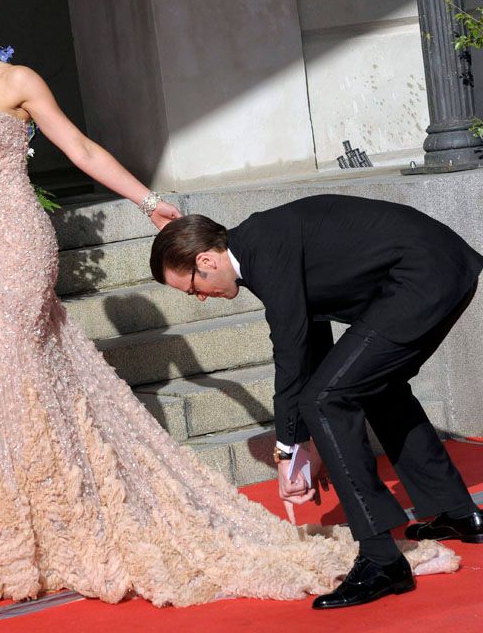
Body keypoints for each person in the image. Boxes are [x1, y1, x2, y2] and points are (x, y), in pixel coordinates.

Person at [0, 0, 457, 609]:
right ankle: (15, 532)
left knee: (13, 375)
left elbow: (80, 148)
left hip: (18, 248)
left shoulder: (19, 81)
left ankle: (57, 522)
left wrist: (148, 201)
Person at [150, 194, 483, 608]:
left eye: (191, 289)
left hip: (422, 277)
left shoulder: (263, 250)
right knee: (371, 386)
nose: (199, 297)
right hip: (442, 268)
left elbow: (290, 355)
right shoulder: (257, 245)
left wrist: (288, 448)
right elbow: (311, 337)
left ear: (205, 262)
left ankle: (382, 562)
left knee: (326, 400)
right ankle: (457, 511)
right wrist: (308, 442)